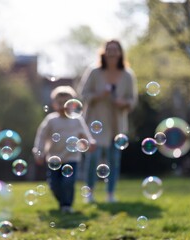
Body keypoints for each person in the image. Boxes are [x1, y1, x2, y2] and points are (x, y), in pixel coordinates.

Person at [77, 39, 138, 203]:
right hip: (95, 122)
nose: (112, 52)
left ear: (120, 53)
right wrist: (100, 95)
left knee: (114, 160)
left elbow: (133, 100)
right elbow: (83, 94)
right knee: (93, 158)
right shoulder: (94, 72)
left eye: (115, 49)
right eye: (109, 49)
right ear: (103, 52)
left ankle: (110, 194)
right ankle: (89, 194)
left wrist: (123, 102)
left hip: (116, 123)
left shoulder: (127, 75)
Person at [33, 86, 96, 213]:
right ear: (53, 104)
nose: (63, 106)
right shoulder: (51, 120)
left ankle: (67, 205)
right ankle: (62, 201)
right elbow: (42, 136)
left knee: (68, 183)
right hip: (54, 159)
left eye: (67, 103)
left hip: (72, 158)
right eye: (60, 103)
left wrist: (90, 142)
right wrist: (38, 152)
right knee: (54, 185)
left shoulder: (77, 120)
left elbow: (85, 135)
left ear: (73, 104)